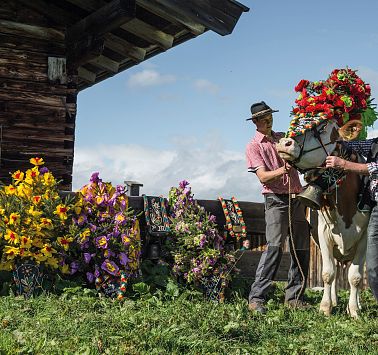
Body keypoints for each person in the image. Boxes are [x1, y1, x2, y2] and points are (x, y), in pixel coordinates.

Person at [245, 101, 310, 314]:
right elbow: (263, 176)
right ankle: (257, 298)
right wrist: (284, 170)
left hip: (296, 198)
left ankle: (294, 298)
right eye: (264, 117)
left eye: (270, 115)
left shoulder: (282, 137)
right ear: (255, 121)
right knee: (274, 247)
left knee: (301, 248)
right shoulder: (254, 146)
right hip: (275, 200)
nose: (269, 119)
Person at [325, 138, 378, 301]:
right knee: (373, 266)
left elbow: (374, 168)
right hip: (375, 209)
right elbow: (345, 144)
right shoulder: (374, 144)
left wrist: (344, 164)